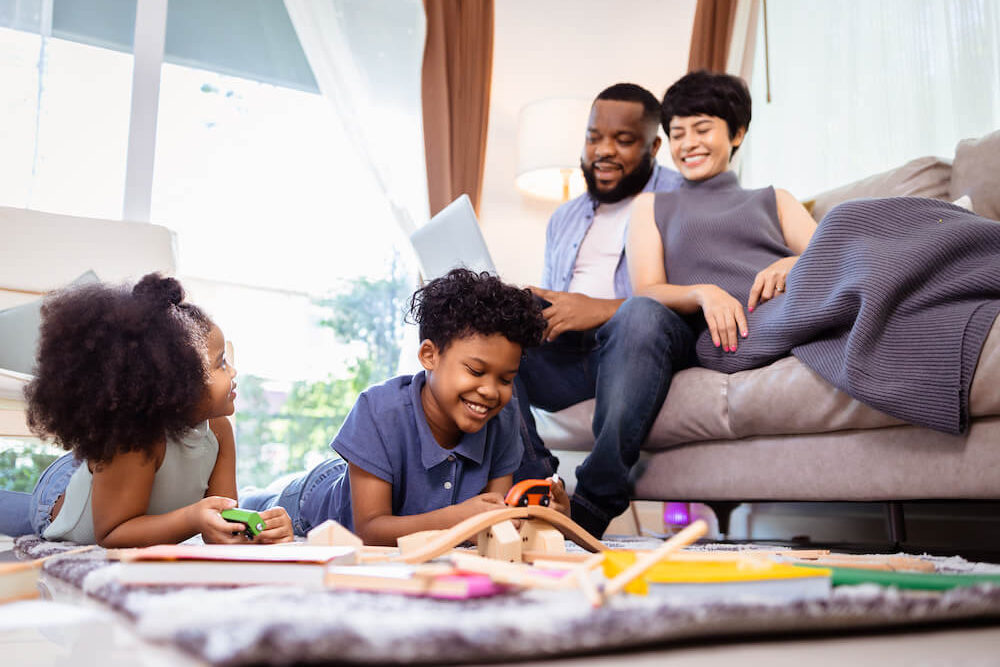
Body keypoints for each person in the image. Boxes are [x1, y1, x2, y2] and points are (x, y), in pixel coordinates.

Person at [628, 69, 1000, 435]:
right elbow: (646, 289)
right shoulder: (653, 205)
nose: (688, 143)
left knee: (847, 218)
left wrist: (791, 263)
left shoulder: (773, 198)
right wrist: (702, 292)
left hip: (798, 300)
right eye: (677, 134)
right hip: (736, 330)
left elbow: (827, 254)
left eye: (702, 129)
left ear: (737, 133)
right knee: (848, 218)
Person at [242, 268, 568, 547]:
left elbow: (496, 519)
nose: (490, 391)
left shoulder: (503, 418)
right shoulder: (378, 409)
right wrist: (459, 519)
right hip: (314, 506)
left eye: (506, 379)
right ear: (429, 355)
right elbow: (369, 531)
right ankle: (255, 493)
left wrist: (542, 516)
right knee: (258, 507)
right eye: (475, 371)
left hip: (376, 490)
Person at [513, 82, 695, 539]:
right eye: (595, 137)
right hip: (573, 358)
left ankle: (593, 503)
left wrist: (601, 309)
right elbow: (559, 302)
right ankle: (535, 485)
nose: (603, 151)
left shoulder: (686, 199)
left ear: (655, 146)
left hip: (642, 345)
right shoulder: (565, 217)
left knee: (639, 314)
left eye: (623, 140)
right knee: (492, 325)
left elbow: (696, 296)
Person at [0, 273, 294, 546]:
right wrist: (192, 518)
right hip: (60, 496)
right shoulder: (136, 440)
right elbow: (112, 533)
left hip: (111, 475)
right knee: (15, 515)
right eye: (220, 363)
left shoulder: (218, 429)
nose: (233, 372)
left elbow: (224, 522)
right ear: (176, 381)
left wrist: (257, 529)